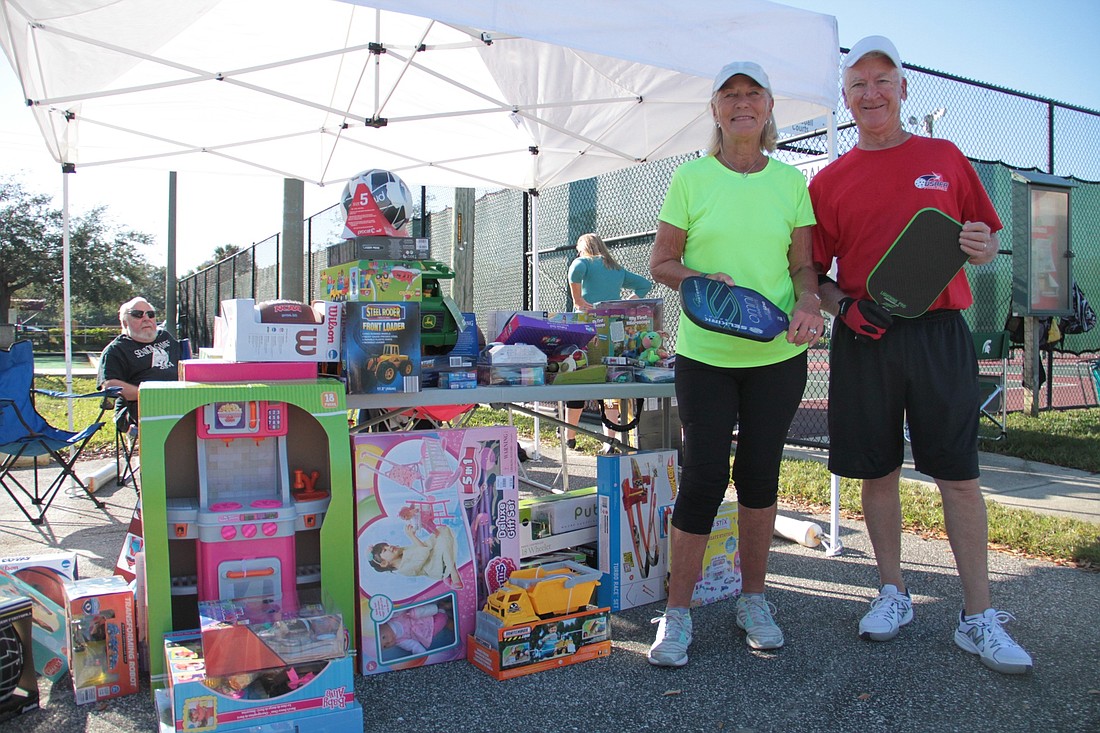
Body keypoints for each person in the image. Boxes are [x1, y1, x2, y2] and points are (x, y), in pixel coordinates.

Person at [809, 36, 1031, 675]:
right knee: (877, 473)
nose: (871, 93)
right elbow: (815, 275)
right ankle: (892, 592)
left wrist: (984, 246)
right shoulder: (828, 182)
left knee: (958, 477)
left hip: (938, 334)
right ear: (846, 100)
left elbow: (983, 235)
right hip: (865, 337)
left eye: (883, 81)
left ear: (903, 89)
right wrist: (840, 308)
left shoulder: (945, 158)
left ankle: (977, 616)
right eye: (858, 85)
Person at [646, 61, 823, 667]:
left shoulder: (791, 183)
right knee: (701, 476)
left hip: (778, 356)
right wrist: (701, 279)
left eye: (753, 95)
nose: (742, 104)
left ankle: (754, 600)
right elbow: (661, 263)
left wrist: (806, 298)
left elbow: (804, 266)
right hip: (706, 356)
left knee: (759, 473)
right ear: (715, 110)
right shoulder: (690, 179)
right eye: (730, 95)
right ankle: (677, 613)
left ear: (769, 106)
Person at [565, 233, 654, 451]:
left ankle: (570, 435)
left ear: (582, 247)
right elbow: (645, 285)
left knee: (577, 377)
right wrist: (624, 304)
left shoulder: (584, 261)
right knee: (610, 379)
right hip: (613, 328)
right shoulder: (616, 268)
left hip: (586, 326)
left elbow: (576, 268)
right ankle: (610, 439)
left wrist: (577, 300)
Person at [97, 296, 181, 430]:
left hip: (178, 400)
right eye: (138, 314)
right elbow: (110, 385)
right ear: (125, 323)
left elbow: (185, 364)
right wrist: (150, 394)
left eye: (150, 314)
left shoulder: (165, 337)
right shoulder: (116, 350)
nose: (146, 318)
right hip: (138, 407)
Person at [368, 522, 464, 589]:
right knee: (443, 541)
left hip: (431, 553)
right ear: (384, 563)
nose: (389, 547)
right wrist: (412, 536)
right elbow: (423, 552)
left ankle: (448, 573)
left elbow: (419, 548)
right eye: (385, 550)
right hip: (435, 565)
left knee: (442, 530)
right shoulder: (405, 569)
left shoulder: (400, 553)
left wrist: (411, 531)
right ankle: (453, 572)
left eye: (387, 546)